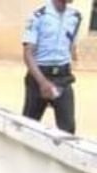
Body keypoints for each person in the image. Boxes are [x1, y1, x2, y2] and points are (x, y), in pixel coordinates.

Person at [22, 0, 82, 134]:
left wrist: (73, 59)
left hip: (63, 77)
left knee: (68, 129)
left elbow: (72, 44)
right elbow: (28, 54)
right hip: (39, 75)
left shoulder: (75, 17)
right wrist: (43, 82)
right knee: (28, 126)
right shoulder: (38, 15)